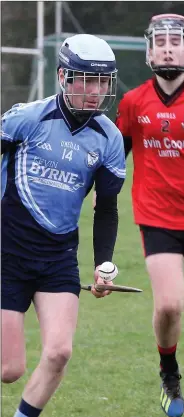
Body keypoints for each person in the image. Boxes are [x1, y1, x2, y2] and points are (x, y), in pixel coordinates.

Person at [1, 34, 125, 417]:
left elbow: (106, 208)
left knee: (59, 352)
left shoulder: (109, 138)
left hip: (57, 259)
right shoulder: (27, 117)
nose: (94, 91)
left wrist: (103, 263)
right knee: (9, 369)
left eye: (102, 81)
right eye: (85, 79)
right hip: (8, 253)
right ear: (63, 77)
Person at [114, 13, 184, 417]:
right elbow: (116, 155)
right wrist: (101, 192)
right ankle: (169, 375)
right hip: (156, 214)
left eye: (175, 41)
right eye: (159, 42)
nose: (167, 47)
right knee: (169, 305)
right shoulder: (133, 102)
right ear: (149, 52)